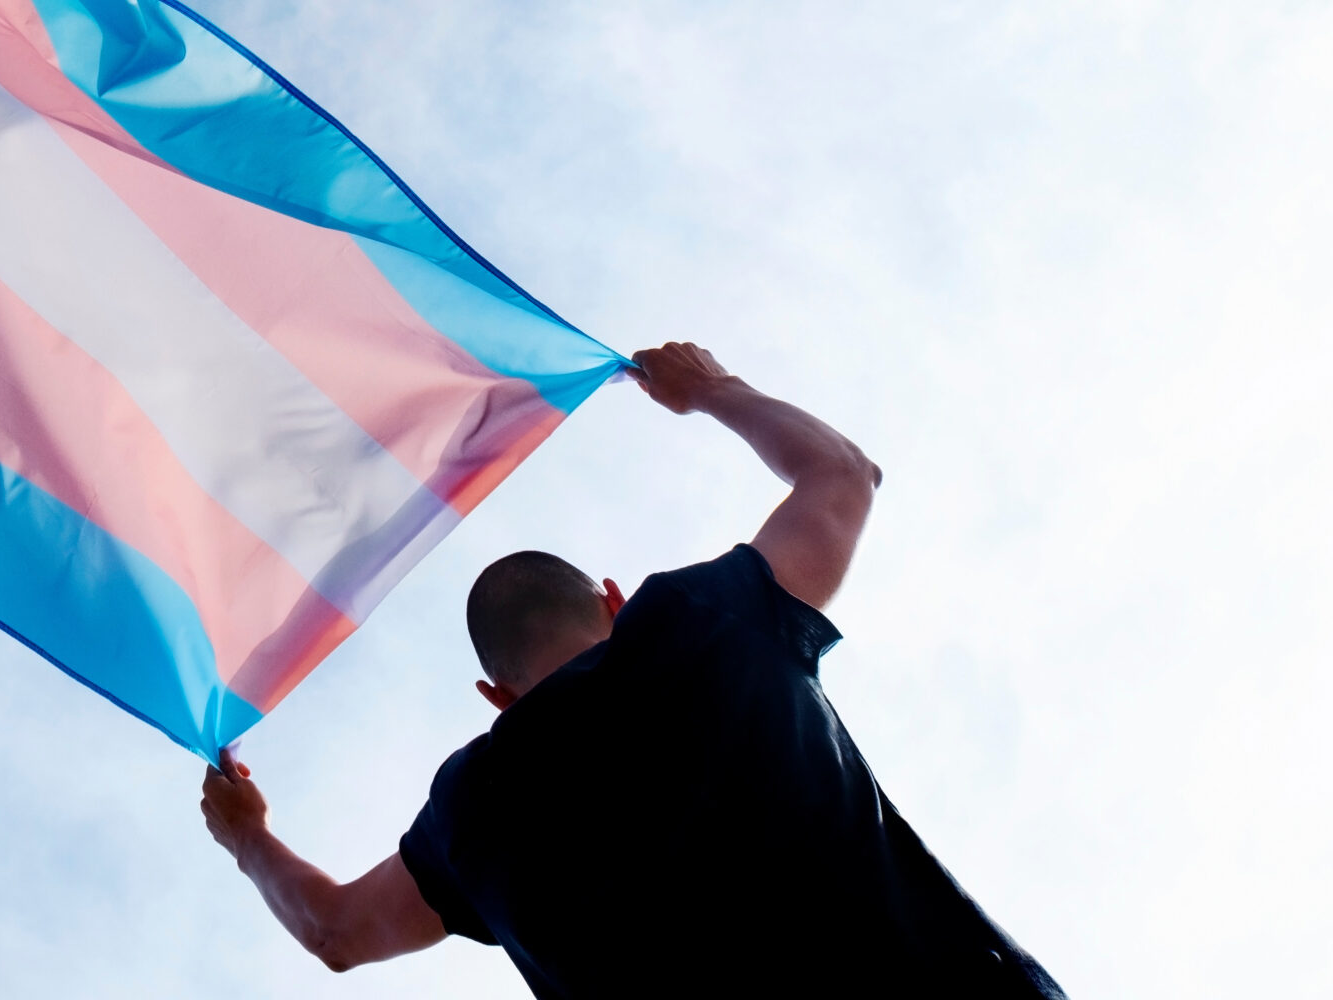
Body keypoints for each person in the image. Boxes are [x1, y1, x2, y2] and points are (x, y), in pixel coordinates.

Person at [199, 342, 1065, 997]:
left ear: (496, 699)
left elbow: (334, 931)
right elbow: (842, 476)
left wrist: (247, 837)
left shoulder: (468, 815)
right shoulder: (702, 621)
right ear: (614, 602)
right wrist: (712, 390)